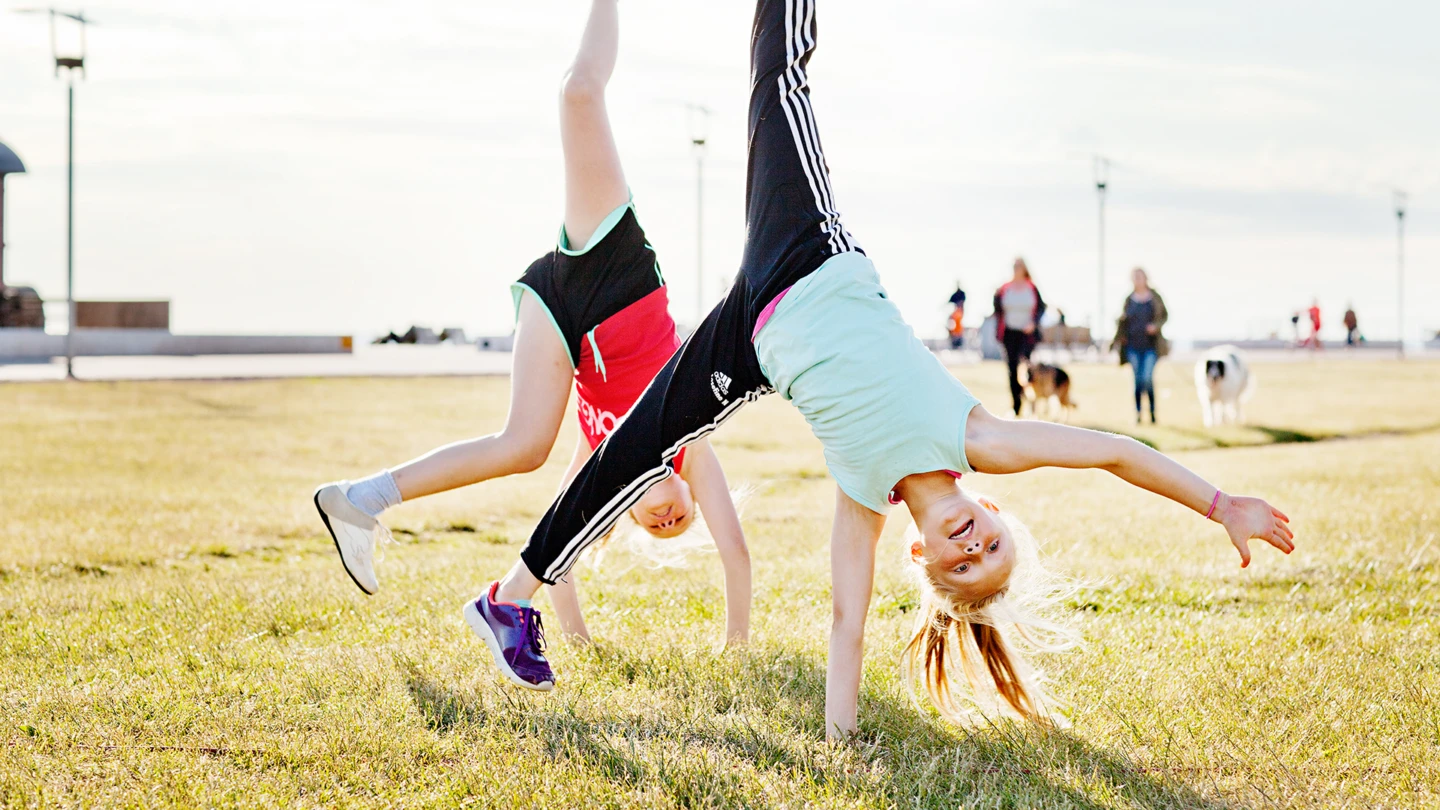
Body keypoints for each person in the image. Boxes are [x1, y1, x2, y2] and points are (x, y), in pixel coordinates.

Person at [464, 0, 1293, 737]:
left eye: (961, 566)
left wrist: (840, 740)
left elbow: (844, 627)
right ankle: (517, 592)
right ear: (993, 507)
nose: (971, 547)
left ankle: (508, 599)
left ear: (920, 557)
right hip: (806, 251)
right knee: (778, 73)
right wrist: (1220, 504)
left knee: (634, 447)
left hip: (750, 343)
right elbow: (1113, 451)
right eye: (992, 545)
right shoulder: (980, 439)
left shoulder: (864, 498)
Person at [312, 0, 751, 647]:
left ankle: (361, 499)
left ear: (626, 513)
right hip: (620, 279)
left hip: (562, 310)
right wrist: (735, 645)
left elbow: (561, 538)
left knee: (524, 446)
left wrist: (581, 644)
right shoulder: (688, 442)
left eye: (654, 529)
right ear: (687, 493)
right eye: (679, 518)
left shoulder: (607, 463)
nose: (664, 519)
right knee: (579, 95)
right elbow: (736, 553)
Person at [1113, 267, 1169, 425]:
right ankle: (1138, 414)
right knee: (1137, 380)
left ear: (1146, 278)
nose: (1138, 280)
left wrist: (1155, 326)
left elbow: (1165, 316)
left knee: (1147, 379)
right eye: (1135, 277)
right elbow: (1123, 320)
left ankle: (1152, 414)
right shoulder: (1129, 299)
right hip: (1132, 345)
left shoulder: (1155, 297)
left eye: (1140, 276)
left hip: (1151, 346)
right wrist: (1120, 337)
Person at [993, 259, 1045, 416]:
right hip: (1009, 333)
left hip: (1026, 335)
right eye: (1014, 266)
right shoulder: (1005, 288)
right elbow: (997, 306)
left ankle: (1029, 401)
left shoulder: (1032, 288)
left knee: (1025, 369)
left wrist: (1033, 323)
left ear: (1024, 269)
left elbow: (1041, 308)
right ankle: (1016, 406)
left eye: (1019, 267)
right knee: (1012, 369)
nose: (1016, 269)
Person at [947, 281, 966, 349]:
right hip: (955, 313)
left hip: (960, 312)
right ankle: (953, 337)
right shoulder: (955, 294)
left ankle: (958, 339)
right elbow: (949, 301)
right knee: (950, 322)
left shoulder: (962, 293)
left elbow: (962, 302)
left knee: (959, 327)